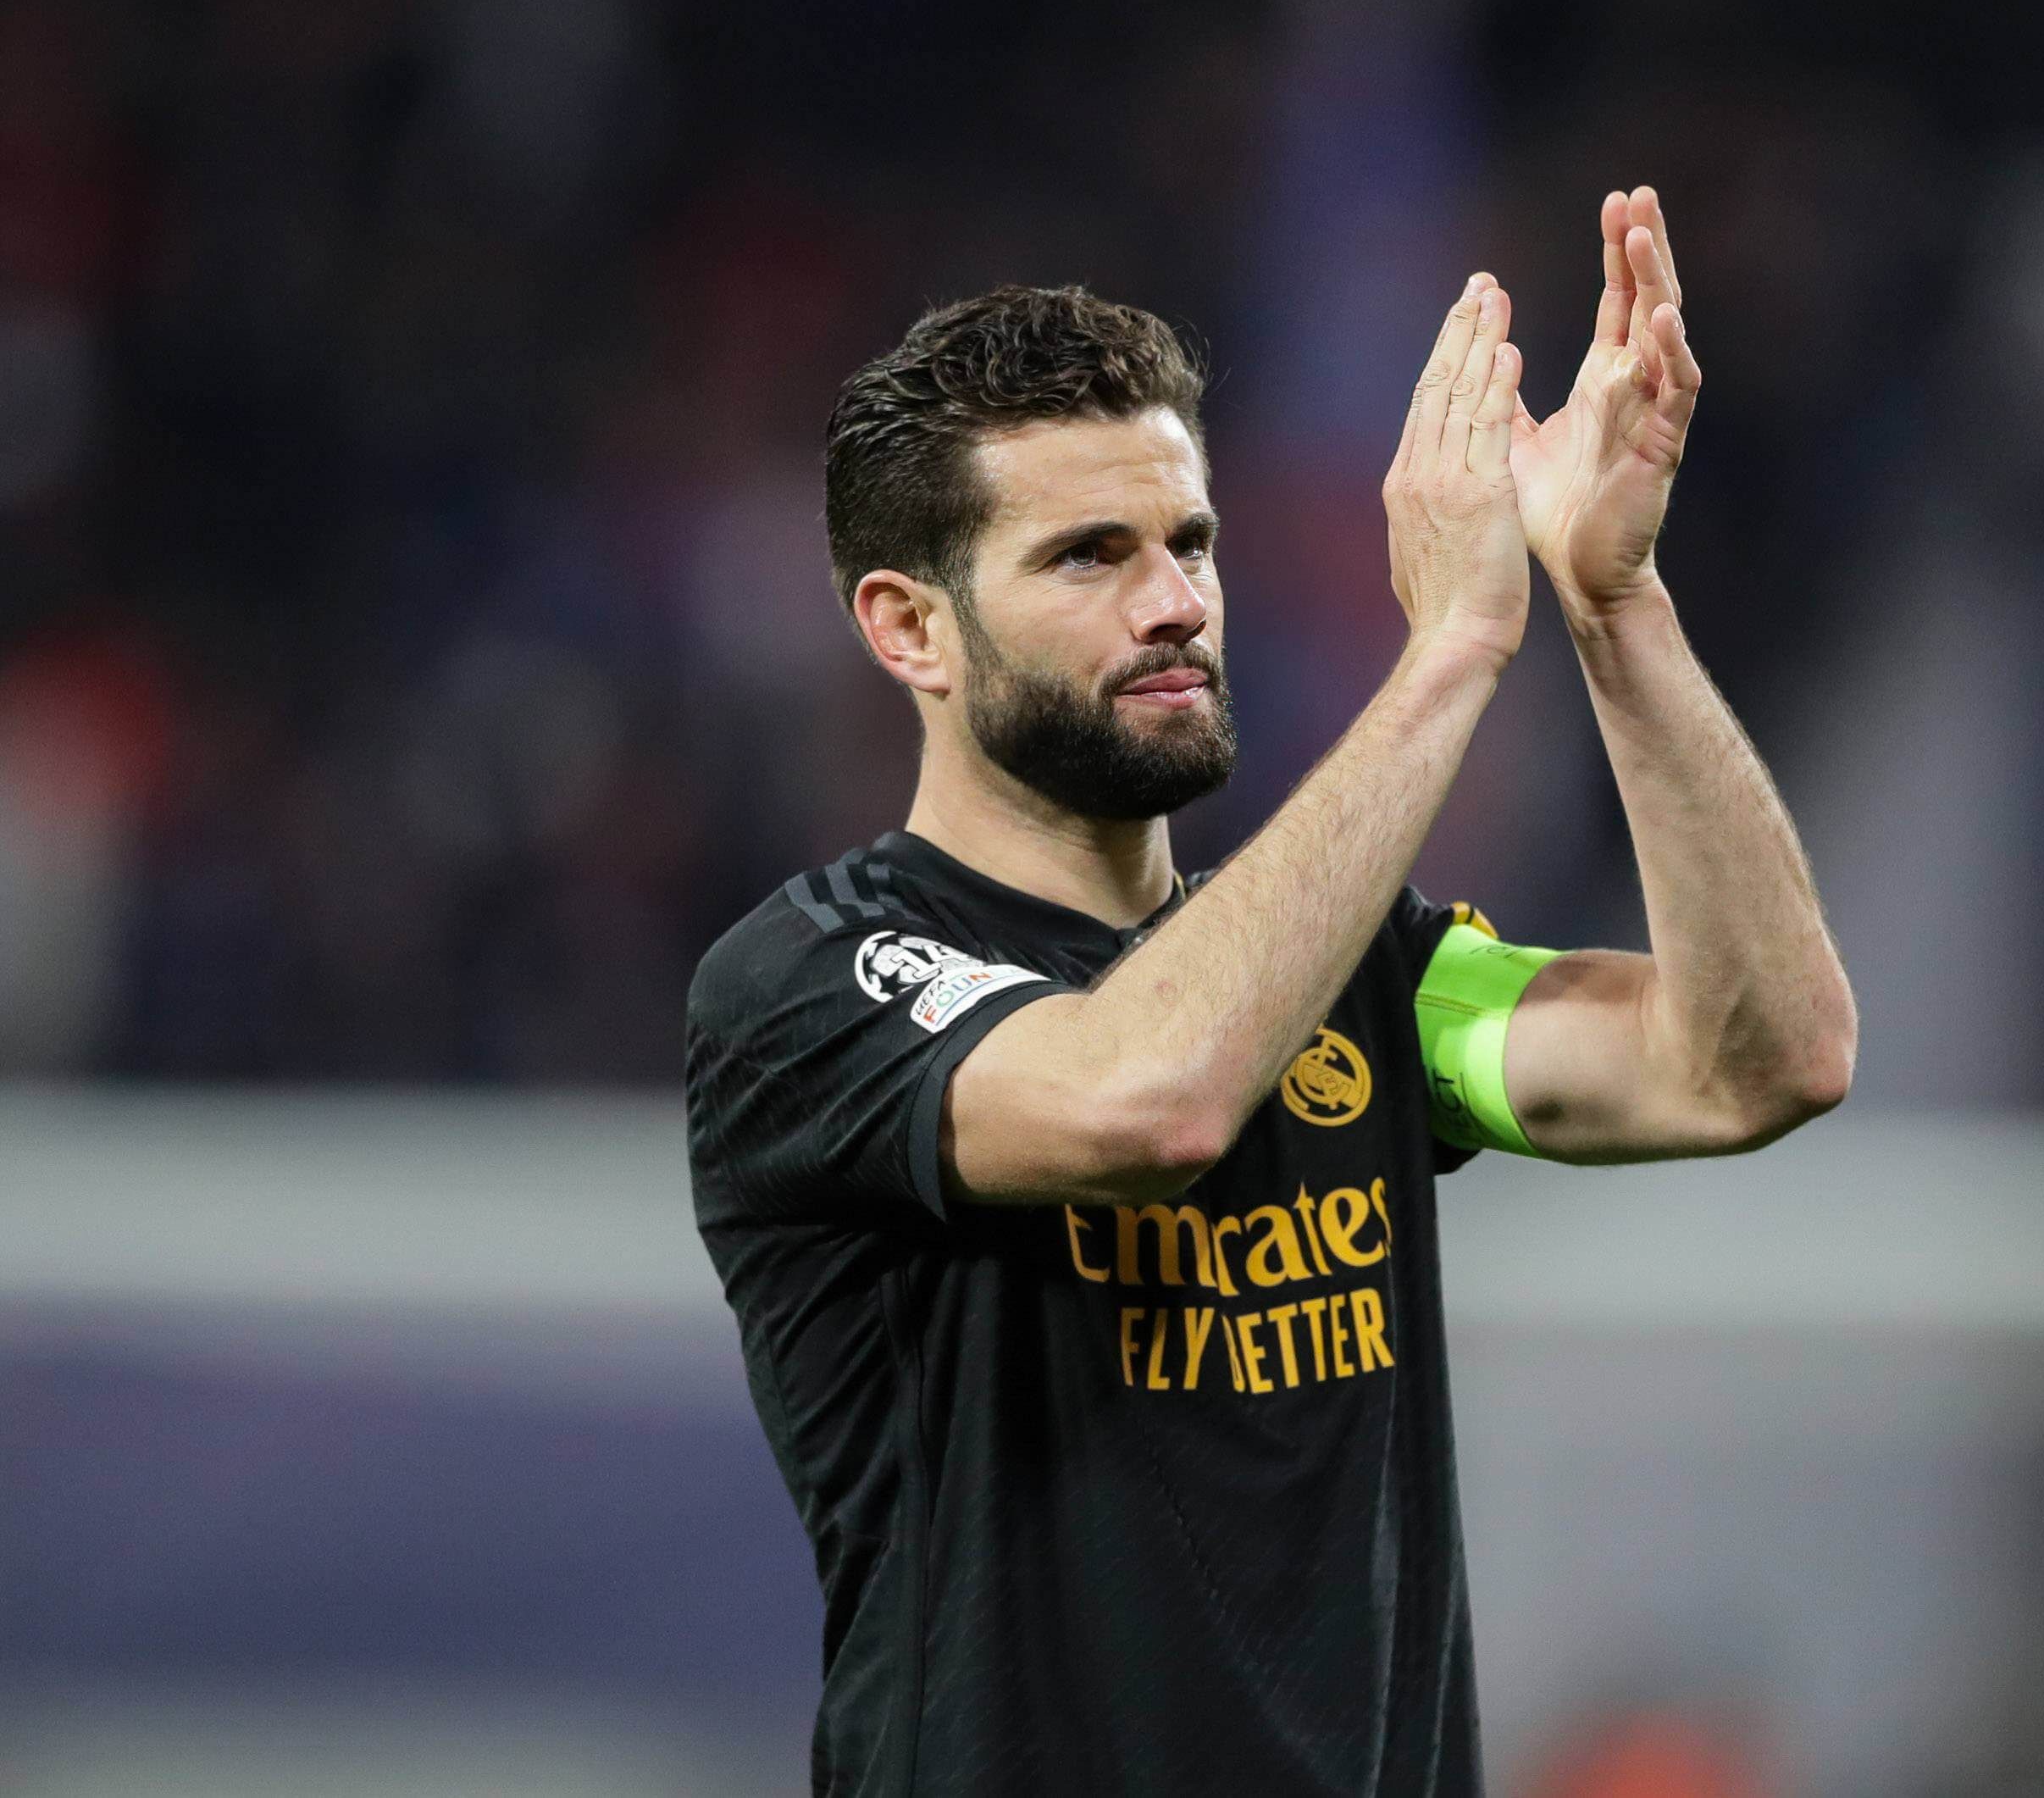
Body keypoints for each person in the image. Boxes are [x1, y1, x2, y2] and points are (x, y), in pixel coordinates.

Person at [684, 187, 1858, 1798]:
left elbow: (1757, 1059)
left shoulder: (1366, 971)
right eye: (1088, 555)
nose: (1173, 601)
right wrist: (1448, 650)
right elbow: (1147, 1096)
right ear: (911, 629)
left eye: (1190, 542)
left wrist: (1611, 606)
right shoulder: (808, 983)